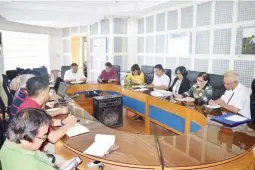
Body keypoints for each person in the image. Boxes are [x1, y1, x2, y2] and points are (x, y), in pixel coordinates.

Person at [18, 76, 77, 144]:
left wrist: (63, 122)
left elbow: (44, 120)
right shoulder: (32, 111)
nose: (49, 93)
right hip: (36, 149)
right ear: (42, 92)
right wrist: (69, 124)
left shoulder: (29, 102)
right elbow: (53, 138)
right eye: (48, 90)